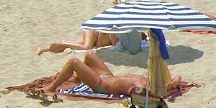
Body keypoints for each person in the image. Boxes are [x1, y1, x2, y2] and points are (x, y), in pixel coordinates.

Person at [39, 50, 184, 98]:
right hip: (108, 76)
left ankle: (51, 88)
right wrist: (173, 81)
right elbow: (177, 78)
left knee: (73, 62)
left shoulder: (143, 86)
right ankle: (79, 78)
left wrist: (170, 86)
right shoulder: (146, 78)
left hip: (102, 85)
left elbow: (150, 94)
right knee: (89, 55)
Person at [35, 30, 136, 56]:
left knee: (76, 45)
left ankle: (43, 49)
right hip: (93, 31)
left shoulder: (121, 38)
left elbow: (113, 47)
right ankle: (65, 44)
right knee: (85, 47)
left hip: (95, 40)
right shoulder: (112, 32)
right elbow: (109, 45)